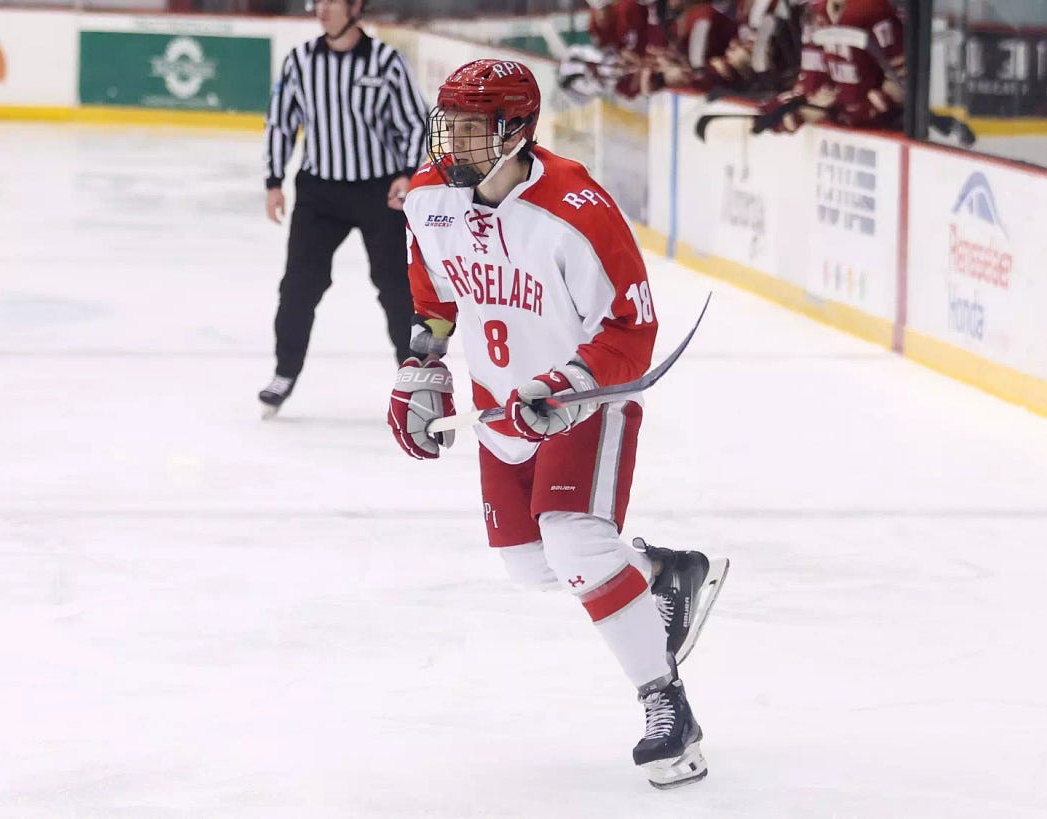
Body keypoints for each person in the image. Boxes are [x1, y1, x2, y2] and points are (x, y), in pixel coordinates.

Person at [386, 59, 729, 789]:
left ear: (516, 131)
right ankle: (666, 574)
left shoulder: (576, 208)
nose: (452, 142)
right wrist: (423, 366)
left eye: (472, 128)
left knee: (574, 538)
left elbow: (631, 323)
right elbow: (434, 295)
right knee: (528, 562)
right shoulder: (429, 198)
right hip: (498, 403)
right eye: (450, 124)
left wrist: (567, 381)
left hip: (585, 399)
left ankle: (669, 709)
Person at [258, 0, 428, 418]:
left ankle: (413, 379)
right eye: (318, 2)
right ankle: (284, 371)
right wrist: (274, 181)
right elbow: (281, 122)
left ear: (356, 7)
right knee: (299, 285)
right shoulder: (300, 60)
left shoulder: (386, 61)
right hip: (320, 194)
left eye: (333, 1)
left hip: (379, 191)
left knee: (395, 288)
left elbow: (414, 122)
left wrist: (407, 175)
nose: (322, 9)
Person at [753, 0, 906, 134]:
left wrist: (859, 111)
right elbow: (812, 85)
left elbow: (904, 84)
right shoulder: (816, 12)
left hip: (879, 137)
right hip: (845, 137)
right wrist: (786, 109)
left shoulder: (874, 10)